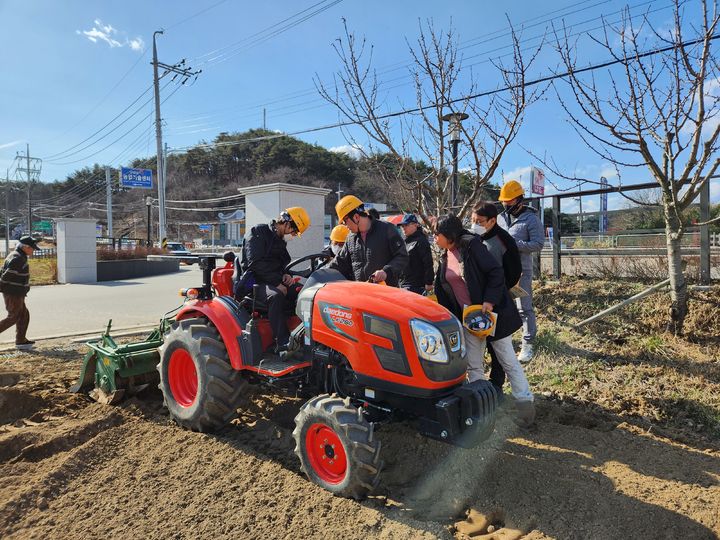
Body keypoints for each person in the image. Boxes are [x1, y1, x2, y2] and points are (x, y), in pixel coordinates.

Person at [433, 214, 535, 427]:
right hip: (469, 319)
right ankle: (483, 408)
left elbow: (495, 272)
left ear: (449, 235)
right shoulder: (445, 255)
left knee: (507, 358)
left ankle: (525, 406)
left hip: (490, 314)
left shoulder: (472, 246)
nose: (434, 238)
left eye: (437, 234)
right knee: (474, 365)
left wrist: (489, 301)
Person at [237, 207, 310, 352]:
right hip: (254, 282)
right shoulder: (257, 233)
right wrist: (277, 282)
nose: (293, 236)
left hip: (272, 280)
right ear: (287, 224)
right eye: (294, 232)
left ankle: (305, 337)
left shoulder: (280, 241)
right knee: (276, 296)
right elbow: (255, 264)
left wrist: (285, 275)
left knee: (304, 293)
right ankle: (282, 342)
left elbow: (279, 265)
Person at [471, 201, 522, 394]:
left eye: (479, 221)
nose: (475, 223)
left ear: (492, 220)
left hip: (498, 301)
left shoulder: (504, 241)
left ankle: (497, 383)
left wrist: (497, 291)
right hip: (479, 300)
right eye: (473, 219)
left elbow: (513, 272)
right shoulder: (476, 238)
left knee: (499, 345)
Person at [498, 180, 545, 363]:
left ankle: (528, 343)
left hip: (521, 273)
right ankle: (506, 340)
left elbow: (538, 244)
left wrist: (514, 244)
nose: (505, 204)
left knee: (524, 307)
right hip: (502, 271)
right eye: (504, 201)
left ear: (519, 200)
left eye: (509, 201)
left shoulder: (531, 219)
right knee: (504, 306)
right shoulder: (501, 218)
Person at [329, 195, 409, 286]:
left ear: (356, 217)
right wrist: (320, 272)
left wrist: (386, 271)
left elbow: (402, 256)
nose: (346, 226)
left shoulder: (386, 229)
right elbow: (339, 262)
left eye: (345, 222)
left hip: (387, 293)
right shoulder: (350, 238)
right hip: (363, 294)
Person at [0, 236, 40, 350]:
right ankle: (21, 340)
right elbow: (6, 276)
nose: (33, 250)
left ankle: (21, 341)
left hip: (17, 292)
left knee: (24, 315)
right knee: (13, 317)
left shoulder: (17, 255)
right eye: (32, 248)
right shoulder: (17, 258)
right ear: (25, 247)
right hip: (13, 293)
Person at [397, 214, 434, 295]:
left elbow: (428, 263)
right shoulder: (405, 242)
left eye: (406, 225)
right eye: (402, 226)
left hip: (416, 286)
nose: (403, 228)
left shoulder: (421, 241)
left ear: (415, 225)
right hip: (404, 284)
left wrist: (428, 282)